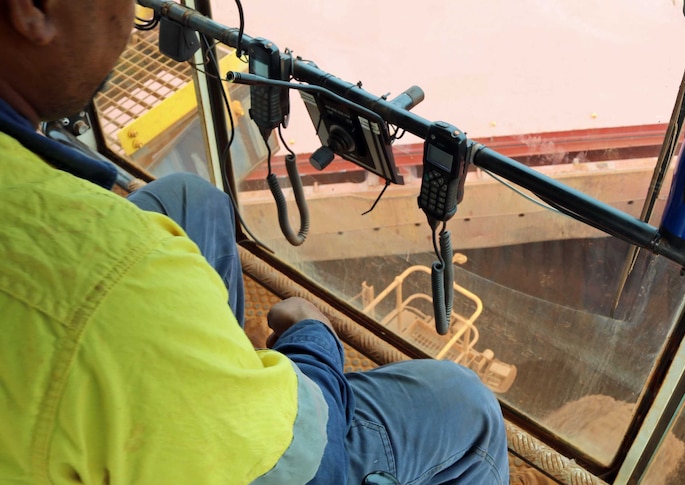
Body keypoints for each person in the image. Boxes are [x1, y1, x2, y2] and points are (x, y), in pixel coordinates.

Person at [0, 1, 509, 484]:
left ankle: (219, 367)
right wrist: (314, 339)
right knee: (465, 406)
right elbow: (302, 463)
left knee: (192, 199)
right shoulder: (120, 276)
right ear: (34, 8)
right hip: (257, 447)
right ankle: (227, 384)